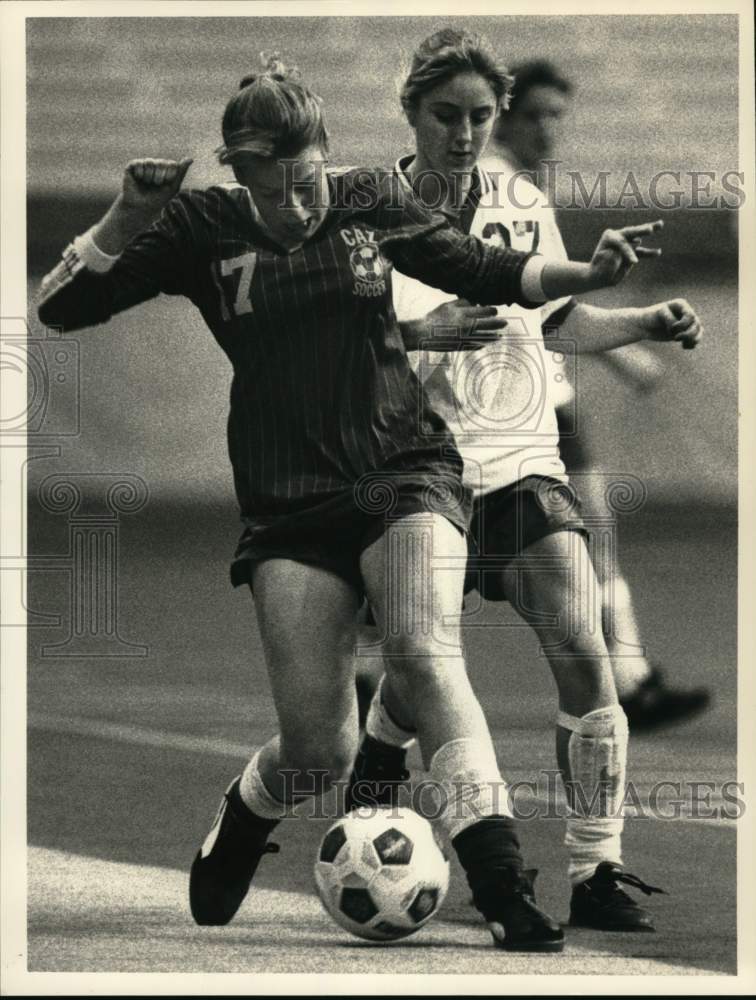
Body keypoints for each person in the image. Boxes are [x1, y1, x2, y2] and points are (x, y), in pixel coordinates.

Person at [36, 56, 658, 952]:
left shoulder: (364, 198)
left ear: (326, 155)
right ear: (235, 171)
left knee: (421, 647)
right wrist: (125, 215)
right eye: (275, 185)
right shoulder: (198, 226)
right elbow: (62, 309)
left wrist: (584, 277)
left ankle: (502, 880)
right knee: (318, 750)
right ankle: (246, 812)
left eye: (307, 178)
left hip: (406, 471)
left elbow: (481, 267)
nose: (299, 203)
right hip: (289, 504)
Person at [349, 28, 703, 933]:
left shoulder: (516, 197)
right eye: (447, 115)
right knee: (420, 663)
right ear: (410, 111)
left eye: (480, 116)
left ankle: (595, 870)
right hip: (419, 473)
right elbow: (330, 348)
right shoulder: (369, 214)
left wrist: (640, 325)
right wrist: (419, 341)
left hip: (520, 466)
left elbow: (555, 318)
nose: (466, 133)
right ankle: (384, 748)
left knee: (585, 650)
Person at [486, 58, 711, 728]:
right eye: (534, 115)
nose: (549, 130)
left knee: (586, 543)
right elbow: (529, 305)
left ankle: (630, 679)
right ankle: (371, 671)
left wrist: (630, 347)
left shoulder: (522, 189)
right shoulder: (502, 192)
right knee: (485, 559)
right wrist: (631, 350)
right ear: (503, 115)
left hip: (544, 397)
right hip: (506, 406)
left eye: (557, 116)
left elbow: (547, 304)